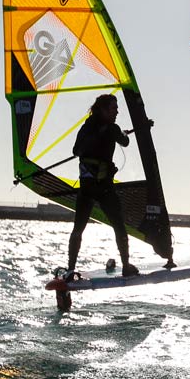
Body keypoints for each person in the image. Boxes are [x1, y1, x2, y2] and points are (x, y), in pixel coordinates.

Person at [66, 93, 138, 279]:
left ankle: (70, 269)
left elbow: (76, 150)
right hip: (103, 189)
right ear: (104, 110)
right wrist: (118, 133)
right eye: (113, 108)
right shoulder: (112, 128)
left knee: (78, 229)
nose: (117, 111)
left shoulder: (86, 127)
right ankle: (126, 265)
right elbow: (126, 141)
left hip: (86, 188)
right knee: (119, 226)